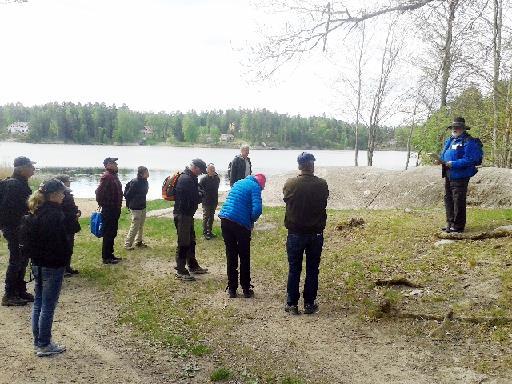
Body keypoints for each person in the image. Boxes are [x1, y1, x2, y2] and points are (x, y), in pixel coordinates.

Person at [23, 179, 71, 357]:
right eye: (62, 193)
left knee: (39, 303)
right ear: (53, 195)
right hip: (52, 264)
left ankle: (39, 341)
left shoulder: (37, 210)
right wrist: (64, 258)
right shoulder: (54, 214)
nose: (64, 195)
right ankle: (43, 344)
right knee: (48, 305)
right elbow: (57, 241)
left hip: (38, 263)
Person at [283, 152, 329, 315]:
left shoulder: (290, 183)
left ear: (299, 166)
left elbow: (287, 199)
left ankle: (292, 304)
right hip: (315, 233)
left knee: (294, 268)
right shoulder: (322, 184)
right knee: (312, 268)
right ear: (312, 166)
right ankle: (309, 303)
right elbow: (324, 201)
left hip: (295, 232)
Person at [218, 173, 265, 298]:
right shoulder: (255, 187)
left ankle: (232, 289)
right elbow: (257, 209)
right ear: (261, 183)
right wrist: (251, 221)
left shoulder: (239, 182)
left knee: (231, 254)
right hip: (240, 224)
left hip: (225, 219)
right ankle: (245, 288)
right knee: (244, 256)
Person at [436, 117, 483, 233]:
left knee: (458, 200)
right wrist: (439, 160)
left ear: (463, 128)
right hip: (448, 173)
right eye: (453, 127)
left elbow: (470, 160)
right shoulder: (450, 139)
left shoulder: (469, 141)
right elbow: (444, 154)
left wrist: (453, 164)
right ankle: (450, 223)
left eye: (457, 127)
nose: (455, 129)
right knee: (448, 198)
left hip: (461, 175)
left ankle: (458, 226)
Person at [0, 156, 35, 306]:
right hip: (15, 228)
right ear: (21, 168)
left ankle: (20, 289)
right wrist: (20, 224)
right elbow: (9, 210)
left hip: (21, 227)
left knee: (24, 257)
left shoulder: (20, 183)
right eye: (30, 166)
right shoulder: (13, 185)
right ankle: (9, 294)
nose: (33, 169)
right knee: (16, 259)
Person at [173, 159, 209, 281]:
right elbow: (196, 197)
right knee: (183, 243)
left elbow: (199, 192)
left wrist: (200, 193)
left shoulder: (191, 178)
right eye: (201, 171)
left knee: (191, 241)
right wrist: (200, 194)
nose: (201, 173)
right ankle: (180, 270)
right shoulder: (186, 179)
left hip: (188, 214)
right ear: (196, 168)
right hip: (182, 215)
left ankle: (193, 265)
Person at [95, 157, 123, 264]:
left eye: (116, 163)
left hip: (115, 209)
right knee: (108, 233)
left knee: (112, 232)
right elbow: (99, 193)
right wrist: (105, 205)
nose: (116, 165)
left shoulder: (113, 176)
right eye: (113, 163)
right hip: (109, 210)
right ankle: (106, 257)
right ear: (107, 165)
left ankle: (110, 254)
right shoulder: (106, 177)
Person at [55, 175, 81, 276]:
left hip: (70, 223)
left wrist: (78, 212)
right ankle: (62, 270)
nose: (69, 182)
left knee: (69, 247)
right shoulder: (60, 194)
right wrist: (74, 214)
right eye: (68, 181)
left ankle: (67, 267)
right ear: (63, 182)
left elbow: (72, 207)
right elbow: (62, 210)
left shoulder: (67, 193)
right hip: (65, 224)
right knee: (63, 247)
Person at [124, 166, 150, 250]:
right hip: (135, 207)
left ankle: (138, 242)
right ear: (141, 174)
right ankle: (127, 244)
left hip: (142, 206)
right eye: (146, 172)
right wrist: (129, 204)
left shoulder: (145, 181)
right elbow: (128, 195)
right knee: (135, 225)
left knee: (141, 225)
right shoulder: (135, 182)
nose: (148, 173)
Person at [199, 163, 220, 240]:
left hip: (214, 200)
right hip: (206, 201)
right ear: (207, 171)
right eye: (211, 170)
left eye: (213, 169)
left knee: (211, 217)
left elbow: (216, 189)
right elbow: (199, 188)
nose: (213, 171)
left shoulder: (217, 178)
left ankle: (209, 231)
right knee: (206, 216)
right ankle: (205, 232)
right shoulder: (203, 179)